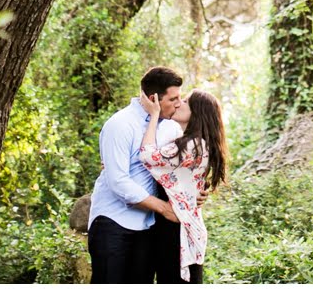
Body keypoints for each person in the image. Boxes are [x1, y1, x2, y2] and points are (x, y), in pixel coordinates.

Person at [87, 67, 185, 283]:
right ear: (154, 99)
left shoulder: (171, 128)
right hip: (112, 222)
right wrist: (164, 208)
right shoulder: (120, 124)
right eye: (174, 98)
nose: (179, 103)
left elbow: (183, 169)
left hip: (147, 226)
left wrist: (199, 192)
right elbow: (118, 181)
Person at [140, 88, 229, 284]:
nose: (179, 103)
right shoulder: (199, 144)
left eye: (186, 101)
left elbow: (146, 155)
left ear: (197, 112)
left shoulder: (191, 145)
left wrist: (154, 114)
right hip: (185, 225)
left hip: (178, 229)